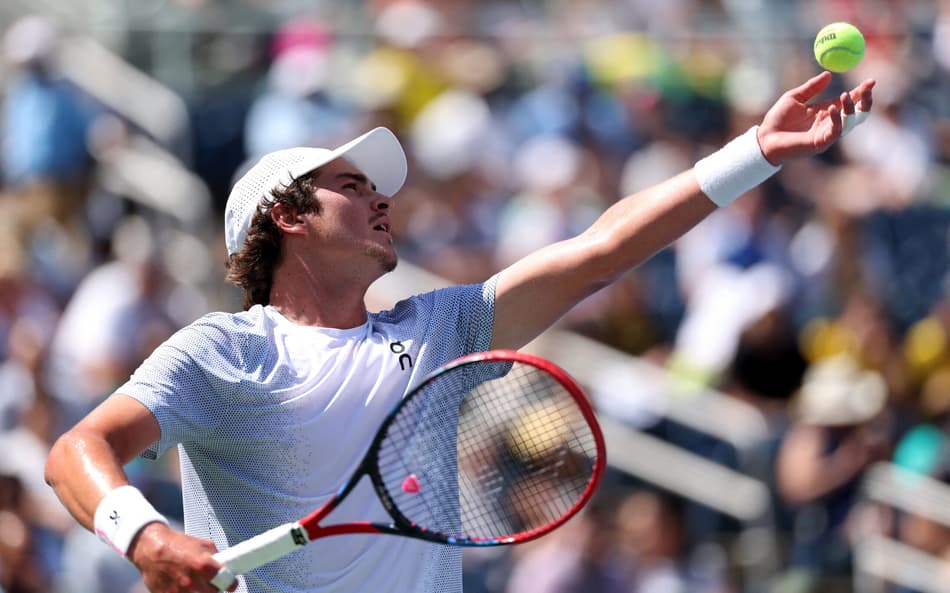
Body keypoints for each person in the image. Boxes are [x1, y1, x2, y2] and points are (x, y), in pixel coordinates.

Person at [44, 70, 875, 593]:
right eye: (352, 184)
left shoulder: (440, 327)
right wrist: (144, 535)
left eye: (379, 186)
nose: (381, 199)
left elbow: (600, 251)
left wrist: (755, 152)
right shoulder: (223, 352)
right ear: (288, 216)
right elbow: (76, 451)